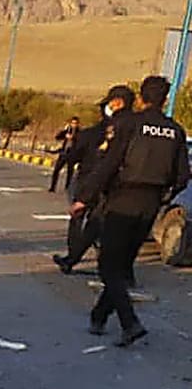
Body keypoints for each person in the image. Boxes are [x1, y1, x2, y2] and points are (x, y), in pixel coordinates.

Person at [72, 76, 190, 347]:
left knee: (107, 264)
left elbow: (109, 165)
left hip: (123, 199)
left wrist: (84, 198)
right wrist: (164, 196)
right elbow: (183, 175)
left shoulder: (130, 125)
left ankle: (129, 322)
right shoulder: (176, 131)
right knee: (121, 264)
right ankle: (99, 316)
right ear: (166, 99)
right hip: (151, 205)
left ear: (140, 98)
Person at [53, 86, 134, 276]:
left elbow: (73, 156)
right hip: (116, 185)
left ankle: (73, 256)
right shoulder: (134, 127)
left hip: (89, 181)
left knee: (79, 218)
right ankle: (101, 262)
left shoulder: (97, 132)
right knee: (98, 223)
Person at [50, 116, 81, 192]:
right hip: (64, 152)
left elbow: (81, 141)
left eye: (75, 123)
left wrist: (73, 137)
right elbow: (57, 137)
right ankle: (52, 187)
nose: (73, 125)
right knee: (56, 169)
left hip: (72, 154)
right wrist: (64, 133)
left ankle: (67, 187)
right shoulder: (67, 130)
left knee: (70, 172)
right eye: (72, 123)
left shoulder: (79, 132)